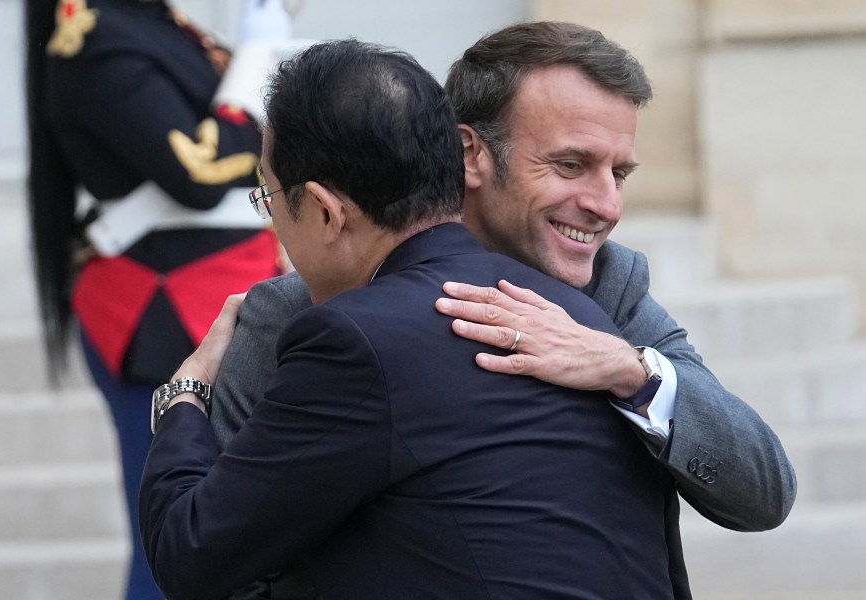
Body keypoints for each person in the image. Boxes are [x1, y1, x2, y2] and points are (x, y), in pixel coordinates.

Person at [140, 39, 685, 600]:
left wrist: (183, 396)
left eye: (269, 199)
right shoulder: (577, 316)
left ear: (327, 212)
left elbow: (191, 554)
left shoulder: (354, 339)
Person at [211, 20, 796, 536]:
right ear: (470, 154)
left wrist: (630, 371)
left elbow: (763, 493)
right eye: (571, 165)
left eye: (619, 173)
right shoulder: (298, 314)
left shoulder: (611, 295)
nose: (606, 204)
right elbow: (215, 542)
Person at [24, 1, 300, 597]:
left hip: (231, 289)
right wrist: (257, 54)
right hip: (164, 311)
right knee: (174, 538)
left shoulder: (162, 27)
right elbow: (199, 172)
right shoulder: (94, 41)